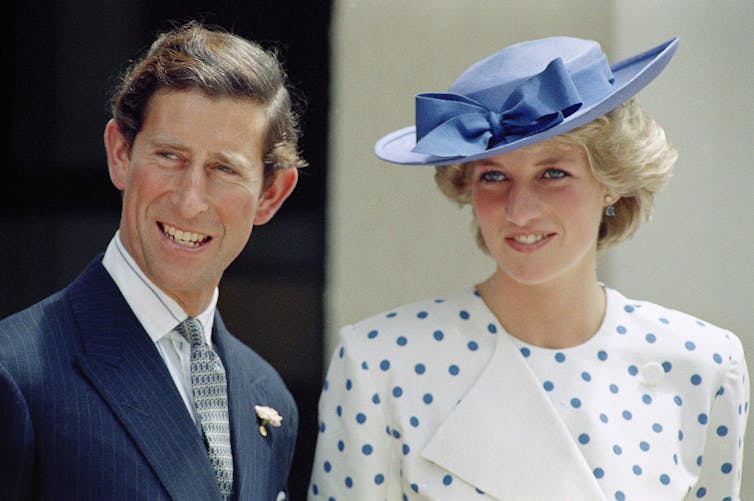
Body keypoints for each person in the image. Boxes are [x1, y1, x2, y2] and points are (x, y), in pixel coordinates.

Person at [308, 36, 749, 500]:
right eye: (493, 176)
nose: (518, 211)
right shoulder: (380, 361)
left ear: (612, 184)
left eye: (553, 173)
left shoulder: (704, 363)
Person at [0, 22, 305, 501]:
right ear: (120, 153)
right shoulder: (15, 374)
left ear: (271, 194)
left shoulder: (266, 395)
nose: (189, 201)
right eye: (169, 156)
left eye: (223, 169)